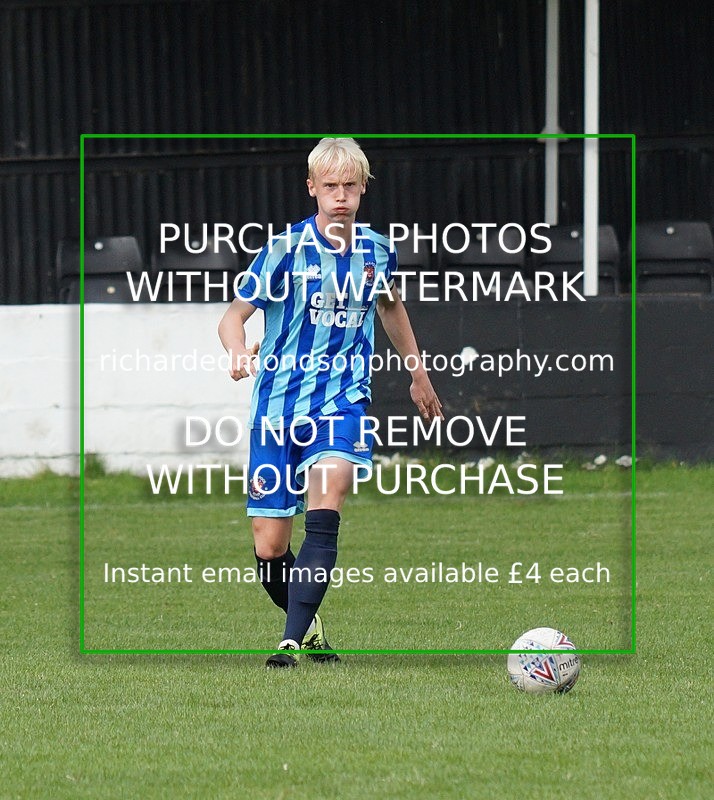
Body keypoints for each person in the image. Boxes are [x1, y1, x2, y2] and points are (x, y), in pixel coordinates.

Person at [218, 137, 442, 668]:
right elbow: (233, 316)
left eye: (350, 186)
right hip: (276, 409)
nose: (340, 196)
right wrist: (235, 351)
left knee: (330, 490)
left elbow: (390, 309)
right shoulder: (283, 249)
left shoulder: (377, 250)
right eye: (330, 186)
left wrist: (418, 374)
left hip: (342, 403)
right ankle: (310, 625)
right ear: (312, 189)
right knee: (270, 549)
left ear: (363, 188)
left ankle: (288, 644)